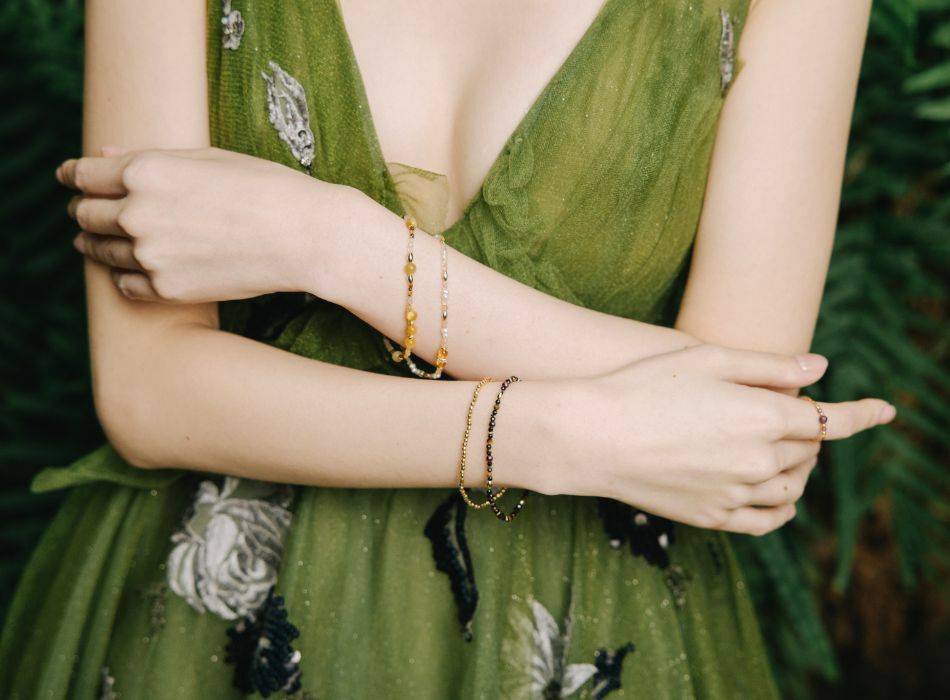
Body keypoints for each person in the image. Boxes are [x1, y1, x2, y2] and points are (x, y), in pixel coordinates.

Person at [0, 0, 884, 697]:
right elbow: (150, 394)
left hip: (587, 621)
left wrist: (334, 245)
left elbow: (746, 423)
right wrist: (560, 435)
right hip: (217, 624)